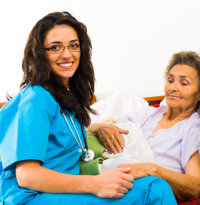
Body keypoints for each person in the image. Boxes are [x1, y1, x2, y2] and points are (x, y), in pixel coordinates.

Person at [0, 11, 177, 205]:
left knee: (153, 186)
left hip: (59, 193)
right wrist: (96, 184)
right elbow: (27, 175)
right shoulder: (36, 98)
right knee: (153, 190)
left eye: (73, 46)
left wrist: (97, 128)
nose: (67, 54)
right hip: (31, 197)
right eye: (55, 47)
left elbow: (59, 136)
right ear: (40, 54)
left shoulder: (64, 96)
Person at [87, 51, 200, 202]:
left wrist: (151, 170)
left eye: (184, 83)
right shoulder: (148, 113)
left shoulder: (192, 127)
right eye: (170, 80)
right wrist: (98, 128)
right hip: (108, 178)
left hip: (143, 191)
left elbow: (196, 186)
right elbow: (91, 130)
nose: (173, 87)